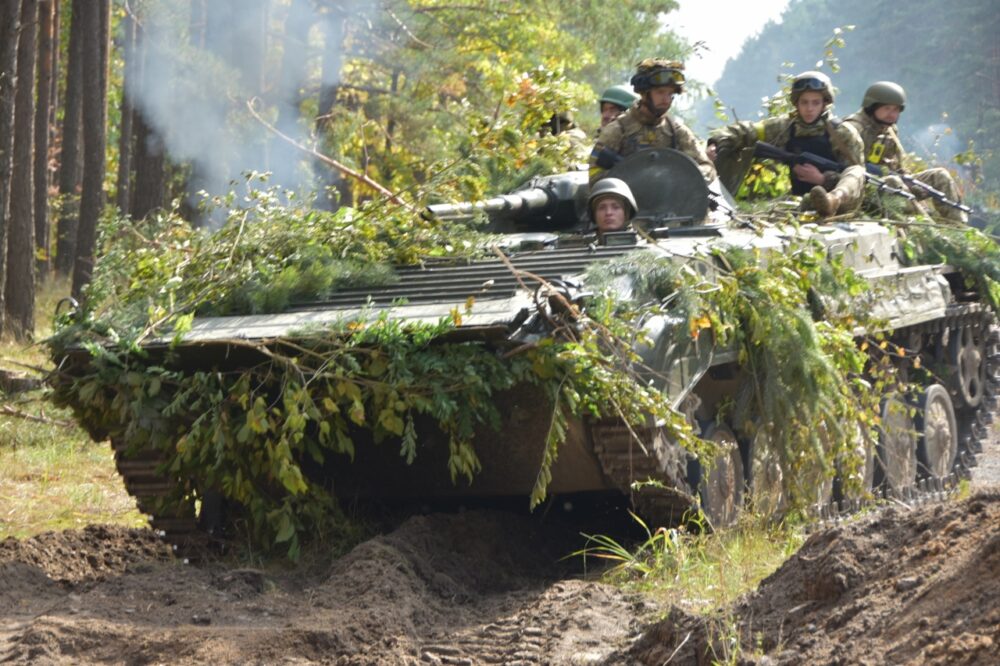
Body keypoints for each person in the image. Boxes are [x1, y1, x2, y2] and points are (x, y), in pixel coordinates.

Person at [707, 71, 865, 218]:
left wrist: (822, 180)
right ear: (796, 103)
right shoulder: (785, 127)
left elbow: (857, 181)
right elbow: (746, 131)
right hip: (800, 201)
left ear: (825, 104)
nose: (809, 109)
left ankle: (831, 201)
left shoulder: (843, 134)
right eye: (804, 102)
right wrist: (715, 143)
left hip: (841, 205)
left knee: (857, 171)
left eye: (815, 103)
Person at [844, 81, 968, 223]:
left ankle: (959, 227)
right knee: (893, 181)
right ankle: (930, 231)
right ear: (872, 106)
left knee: (940, 175)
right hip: (863, 190)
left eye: (896, 110)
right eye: (887, 108)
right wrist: (892, 178)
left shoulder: (888, 129)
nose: (892, 114)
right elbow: (848, 168)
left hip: (892, 185)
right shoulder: (854, 129)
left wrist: (911, 183)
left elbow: (898, 167)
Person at [589, 59, 716, 185]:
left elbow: (706, 166)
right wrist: (630, 180)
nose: (666, 99)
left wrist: (684, 178)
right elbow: (595, 176)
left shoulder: (677, 132)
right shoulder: (618, 130)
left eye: (670, 93)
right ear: (644, 93)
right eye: (660, 92)